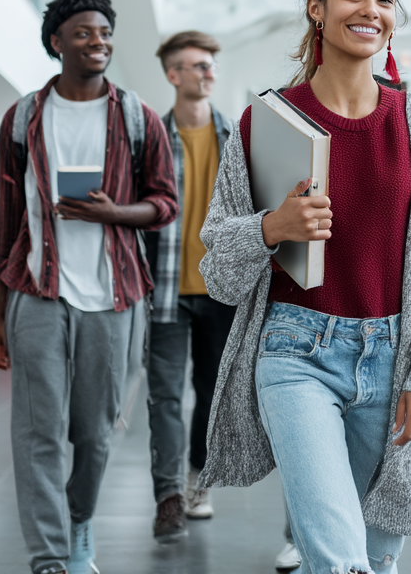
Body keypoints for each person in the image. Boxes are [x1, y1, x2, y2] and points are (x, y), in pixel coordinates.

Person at [196, 0, 411, 574]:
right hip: (293, 353)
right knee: (336, 556)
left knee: (376, 557)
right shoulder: (264, 122)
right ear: (316, 9)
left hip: (397, 356)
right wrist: (272, 227)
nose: (370, 10)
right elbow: (218, 274)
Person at [0, 0, 179, 574]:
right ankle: (48, 555)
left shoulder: (137, 117)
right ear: (57, 41)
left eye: (105, 33)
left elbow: (165, 204)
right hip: (36, 291)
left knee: (95, 432)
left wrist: (113, 213)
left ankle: (79, 524)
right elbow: (6, 221)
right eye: (84, 33)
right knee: (37, 430)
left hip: (114, 295)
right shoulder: (23, 117)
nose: (98, 42)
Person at [144, 30, 235, 541]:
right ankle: (168, 497)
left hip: (220, 291)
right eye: (197, 65)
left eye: (210, 64)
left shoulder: (236, 138)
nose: (208, 72)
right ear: (173, 74)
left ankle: (198, 479)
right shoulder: (151, 137)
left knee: (210, 393)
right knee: (164, 397)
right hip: (164, 290)